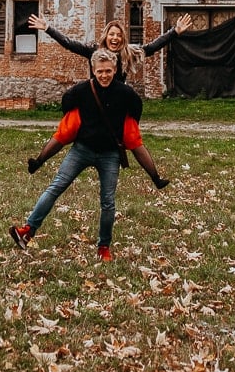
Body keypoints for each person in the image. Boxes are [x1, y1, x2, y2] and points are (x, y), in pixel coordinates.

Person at [27, 11, 193, 189]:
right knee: (66, 130)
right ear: (106, 36)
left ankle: (156, 178)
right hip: (91, 101)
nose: (115, 38)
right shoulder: (94, 52)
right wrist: (48, 28)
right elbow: (70, 44)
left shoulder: (129, 53)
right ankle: (38, 161)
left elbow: (152, 47)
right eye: (112, 34)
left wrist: (174, 32)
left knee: (133, 138)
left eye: (119, 35)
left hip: (117, 105)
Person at [9, 48, 143, 261]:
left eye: (108, 71)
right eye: (100, 71)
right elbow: (67, 102)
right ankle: (28, 230)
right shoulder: (81, 91)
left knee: (108, 201)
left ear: (115, 70)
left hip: (110, 155)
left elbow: (136, 110)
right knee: (56, 186)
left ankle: (104, 247)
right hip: (82, 149)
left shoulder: (125, 94)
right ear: (93, 70)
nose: (104, 75)